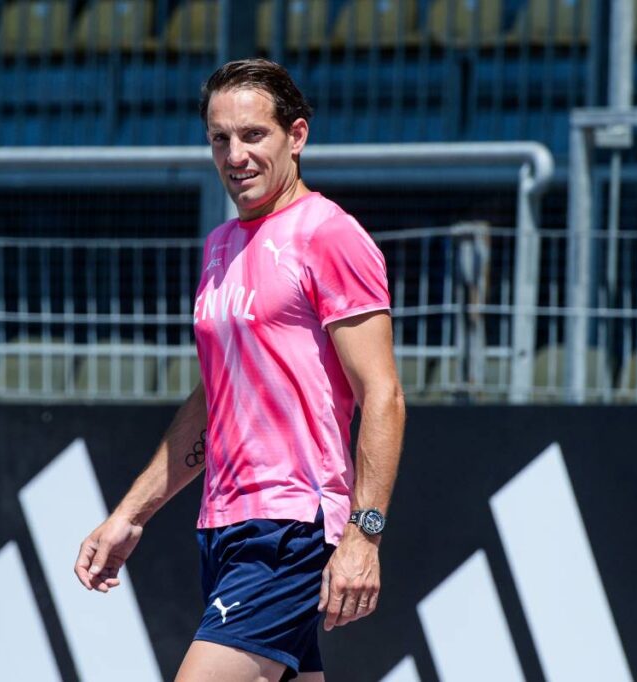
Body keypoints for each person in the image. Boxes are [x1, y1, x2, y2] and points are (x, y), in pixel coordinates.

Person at [75, 59, 405, 681]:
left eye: (254, 135)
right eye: (220, 139)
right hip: (224, 524)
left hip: (291, 527)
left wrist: (365, 534)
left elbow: (382, 393)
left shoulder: (329, 234)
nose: (236, 154)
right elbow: (215, 400)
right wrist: (129, 515)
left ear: (296, 136)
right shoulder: (221, 245)